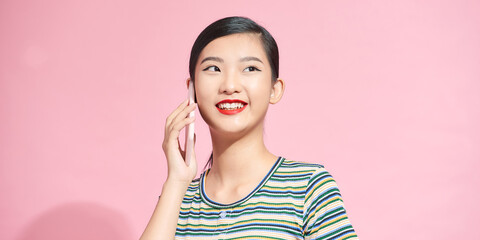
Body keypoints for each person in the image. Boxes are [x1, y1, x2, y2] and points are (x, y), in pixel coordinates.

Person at [140, 16, 358, 240]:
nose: (230, 86)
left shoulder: (308, 187)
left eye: (250, 68)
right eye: (214, 68)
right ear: (192, 89)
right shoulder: (177, 200)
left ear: (275, 89)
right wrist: (176, 181)